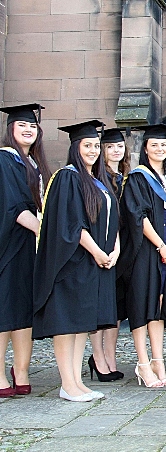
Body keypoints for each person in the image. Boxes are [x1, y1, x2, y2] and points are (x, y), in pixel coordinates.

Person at [33, 120, 119, 401]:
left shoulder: (100, 181)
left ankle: (77, 382)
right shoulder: (68, 177)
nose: (94, 150)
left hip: (94, 264)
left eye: (96, 145)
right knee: (67, 323)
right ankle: (67, 384)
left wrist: (113, 250)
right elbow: (72, 225)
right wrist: (96, 251)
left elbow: (112, 223)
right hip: (73, 264)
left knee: (83, 323)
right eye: (88, 145)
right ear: (75, 148)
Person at [118, 124, 166, 388]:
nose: (160, 149)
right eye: (154, 145)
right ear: (145, 149)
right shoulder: (137, 179)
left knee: (157, 308)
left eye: (163, 145)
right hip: (146, 252)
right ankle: (143, 363)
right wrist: (161, 246)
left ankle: (159, 361)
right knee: (142, 305)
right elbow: (138, 216)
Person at [0, 104, 50, 397]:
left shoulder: (34, 164)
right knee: (5, 311)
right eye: (22, 126)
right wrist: (44, 232)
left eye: (32, 127)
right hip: (11, 245)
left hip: (29, 247)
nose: (29, 130)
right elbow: (13, 206)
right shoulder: (5, 161)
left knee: (23, 312)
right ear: (10, 130)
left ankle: (21, 369)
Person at [87, 128, 130, 383]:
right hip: (104, 246)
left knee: (116, 308)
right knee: (100, 305)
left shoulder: (125, 177)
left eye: (120, 147)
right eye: (111, 146)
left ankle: (110, 357)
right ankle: (98, 357)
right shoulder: (96, 178)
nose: (116, 150)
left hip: (122, 248)